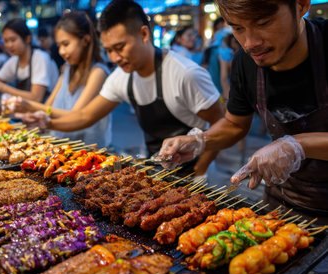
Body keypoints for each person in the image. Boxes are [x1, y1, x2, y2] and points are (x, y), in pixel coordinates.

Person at [159, 0, 328, 213]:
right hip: (283, 202)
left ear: (302, 5)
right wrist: (199, 141)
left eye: (264, 23)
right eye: (237, 28)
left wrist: (298, 145)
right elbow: (235, 124)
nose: (249, 43)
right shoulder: (246, 62)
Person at [21, 0, 224, 176]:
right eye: (109, 50)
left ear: (144, 34)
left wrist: (200, 171)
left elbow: (223, 124)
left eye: (120, 47)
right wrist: (45, 121)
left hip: (198, 173)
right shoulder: (121, 77)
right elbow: (84, 117)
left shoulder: (185, 74)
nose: (114, 58)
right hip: (160, 170)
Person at [3, 11, 112, 147]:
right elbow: (48, 106)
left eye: (66, 44)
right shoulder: (66, 69)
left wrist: (31, 106)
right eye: (59, 45)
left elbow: (76, 116)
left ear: (85, 40)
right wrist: (35, 114)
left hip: (89, 150)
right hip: (63, 144)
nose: (61, 51)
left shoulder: (98, 72)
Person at [219, 33, 241, 101]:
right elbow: (224, 78)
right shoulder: (228, 55)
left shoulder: (231, 55)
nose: (235, 44)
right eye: (233, 42)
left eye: (236, 41)